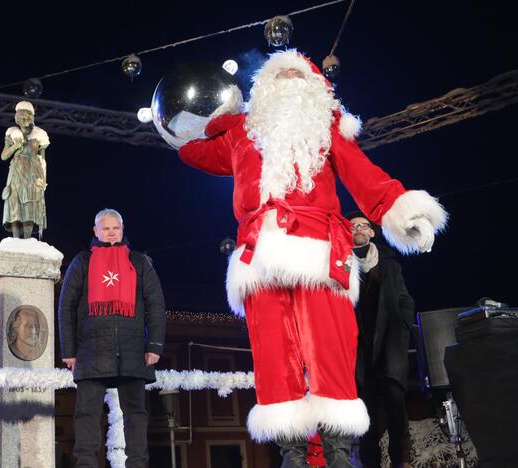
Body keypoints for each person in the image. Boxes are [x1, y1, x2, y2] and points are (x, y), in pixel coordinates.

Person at [178, 49, 447, 467]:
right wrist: (214, 119)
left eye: (296, 74)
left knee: (331, 356)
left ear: (313, 87)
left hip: (320, 251)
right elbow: (192, 151)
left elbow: (363, 174)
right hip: (260, 256)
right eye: (278, 75)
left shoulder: (327, 126)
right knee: (272, 358)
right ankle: (292, 457)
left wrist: (402, 211)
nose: (288, 79)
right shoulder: (242, 133)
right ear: (262, 89)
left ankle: (339, 456)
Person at [58, 209, 166, 468]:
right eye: (105, 228)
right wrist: (69, 351)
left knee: (136, 415)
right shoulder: (82, 262)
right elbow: (66, 307)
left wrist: (155, 345)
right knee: (86, 415)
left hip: (132, 351)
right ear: (95, 231)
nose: (110, 232)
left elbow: (156, 304)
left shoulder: (139, 262)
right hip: (90, 350)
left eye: (115, 228)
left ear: (122, 229)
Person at [347, 212, 415, 468]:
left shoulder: (389, 264)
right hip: (361, 351)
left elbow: (406, 300)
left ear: (372, 232)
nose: (359, 229)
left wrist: (403, 328)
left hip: (389, 347)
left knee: (397, 409)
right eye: (353, 226)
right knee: (366, 417)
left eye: (363, 225)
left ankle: (402, 461)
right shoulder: (341, 265)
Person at [2, 100, 49, 239]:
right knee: (14, 201)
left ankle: (27, 239)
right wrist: (15, 146)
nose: (24, 119)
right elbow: (4, 156)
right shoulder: (12, 133)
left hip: (33, 171)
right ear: (17, 118)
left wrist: (43, 179)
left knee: (30, 203)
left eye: (27, 115)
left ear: (31, 117)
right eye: (21, 116)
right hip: (16, 170)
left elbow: (43, 159)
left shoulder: (38, 134)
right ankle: (15, 238)